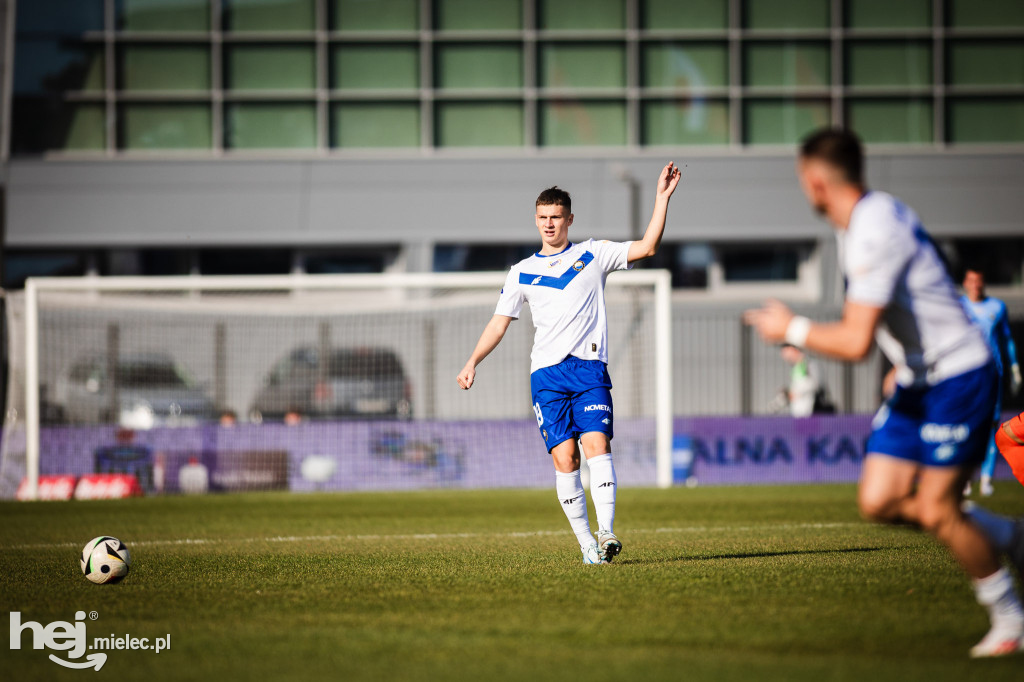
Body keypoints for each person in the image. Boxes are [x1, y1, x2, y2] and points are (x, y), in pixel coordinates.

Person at [744, 128, 1024, 657]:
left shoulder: (873, 231)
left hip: (959, 377)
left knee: (941, 509)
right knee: (879, 499)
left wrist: (792, 329)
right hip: (919, 378)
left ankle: (1010, 619)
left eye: (802, 180)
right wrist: (902, 364)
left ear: (817, 181)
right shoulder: (858, 224)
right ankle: (1010, 538)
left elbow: (853, 341)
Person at [457, 162, 682, 565]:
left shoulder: (593, 254)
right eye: (542, 217)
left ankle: (607, 530)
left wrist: (661, 198)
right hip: (546, 375)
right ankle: (586, 545)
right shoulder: (522, 272)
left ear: (569, 219)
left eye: (555, 217)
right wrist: (473, 360)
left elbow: (647, 246)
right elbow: (499, 322)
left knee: (597, 444)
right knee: (566, 460)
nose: (548, 224)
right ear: (536, 220)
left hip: (588, 368)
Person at [960, 268, 1021, 496]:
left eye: (979, 280)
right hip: (966, 374)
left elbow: (1006, 340)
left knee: (992, 427)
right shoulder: (958, 307)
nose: (976, 285)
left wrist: (1014, 368)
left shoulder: (997, 307)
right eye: (972, 280)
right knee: (966, 426)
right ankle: (965, 479)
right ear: (965, 283)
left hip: (993, 374)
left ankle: (986, 480)